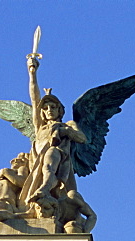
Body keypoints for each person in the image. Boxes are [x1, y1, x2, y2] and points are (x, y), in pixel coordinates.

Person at [20, 56, 87, 217]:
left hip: (58, 156)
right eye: (46, 107)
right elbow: (34, 97)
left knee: (50, 159)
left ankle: (43, 189)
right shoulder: (40, 126)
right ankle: (41, 190)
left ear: (59, 110)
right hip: (36, 161)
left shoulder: (67, 124)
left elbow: (81, 138)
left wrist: (64, 132)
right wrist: (32, 74)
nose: (49, 110)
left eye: (53, 107)